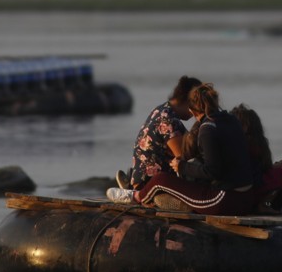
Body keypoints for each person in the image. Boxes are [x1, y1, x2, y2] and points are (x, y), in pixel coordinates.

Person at [108, 83, 257, 216]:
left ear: (191, 110)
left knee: (160, 179)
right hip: (246, 197)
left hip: (223, 201)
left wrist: (182, 166)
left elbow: (212, 171)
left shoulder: (207, 129)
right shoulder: (232, 120)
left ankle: (135, 197)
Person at [121, 75, 203, 190]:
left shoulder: (161, 110)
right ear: (189, 101)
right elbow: (185, 157)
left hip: (143, 179)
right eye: (198, 103)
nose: (198, 109)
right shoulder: (168, 120)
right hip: (153, 185)